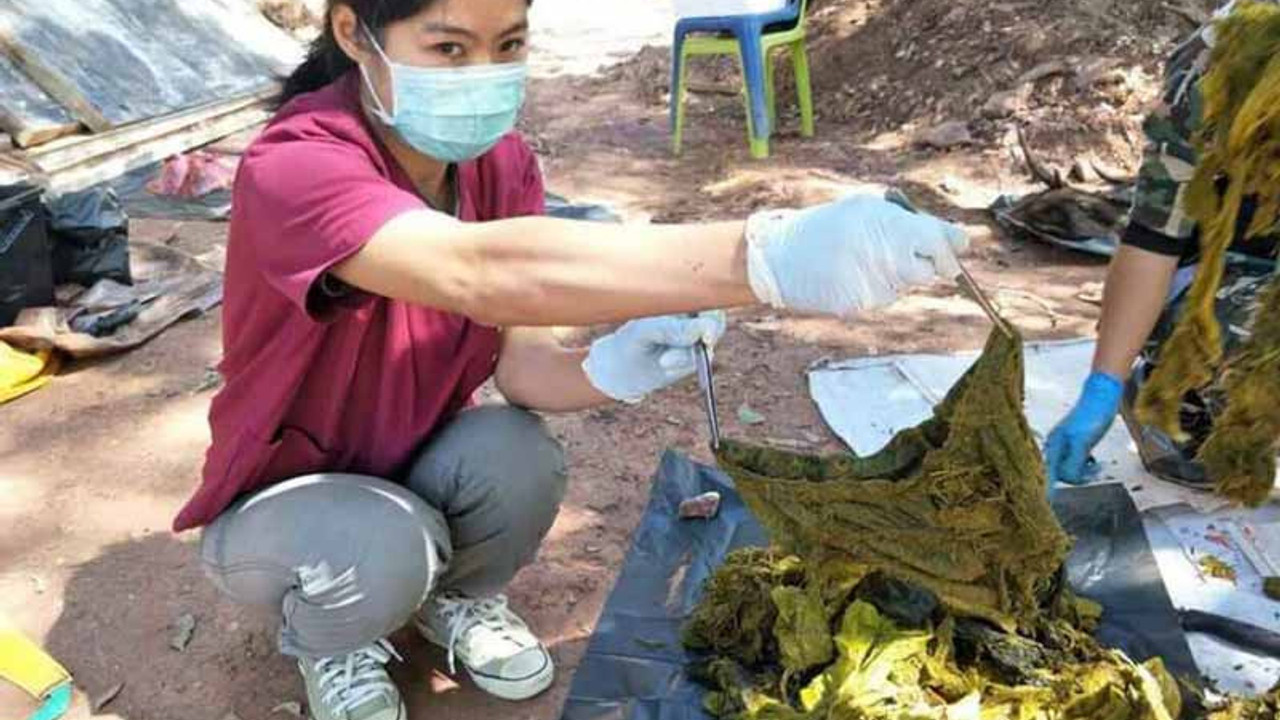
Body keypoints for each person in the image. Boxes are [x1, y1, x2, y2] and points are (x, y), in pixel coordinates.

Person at [173, 0, 969, 718]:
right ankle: (333, 640)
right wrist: (766, 255)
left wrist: (613, 367)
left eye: (508, 44)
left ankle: (455, 599)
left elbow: (523, 368)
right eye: (449, 49)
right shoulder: (298, 162)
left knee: (517, 454)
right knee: (385, 545)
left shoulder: (502, 163)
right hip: (289, 498)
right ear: (354, 31)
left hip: (408, 462)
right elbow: (480, 272)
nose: (483, 74)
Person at [1044, 0, 1279, 488]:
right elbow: (1154, 239)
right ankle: (1178, 399)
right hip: (1234, 278)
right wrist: (1101, 387)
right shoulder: (1220, 64)